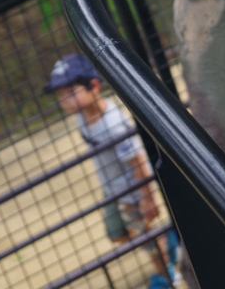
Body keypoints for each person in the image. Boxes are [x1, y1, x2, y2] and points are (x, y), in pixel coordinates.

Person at [45, 53, 181, 288]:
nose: (64, 100)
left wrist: (147, 198)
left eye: (70, 92)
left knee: (143, 236)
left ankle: (166, 275)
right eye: (60, 95)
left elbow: (137, 161)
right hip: (111, 189)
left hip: (132, 189)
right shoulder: (82, 117)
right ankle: (166, 239)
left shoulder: (113, 124)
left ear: (94, 86)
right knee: (116, 233)